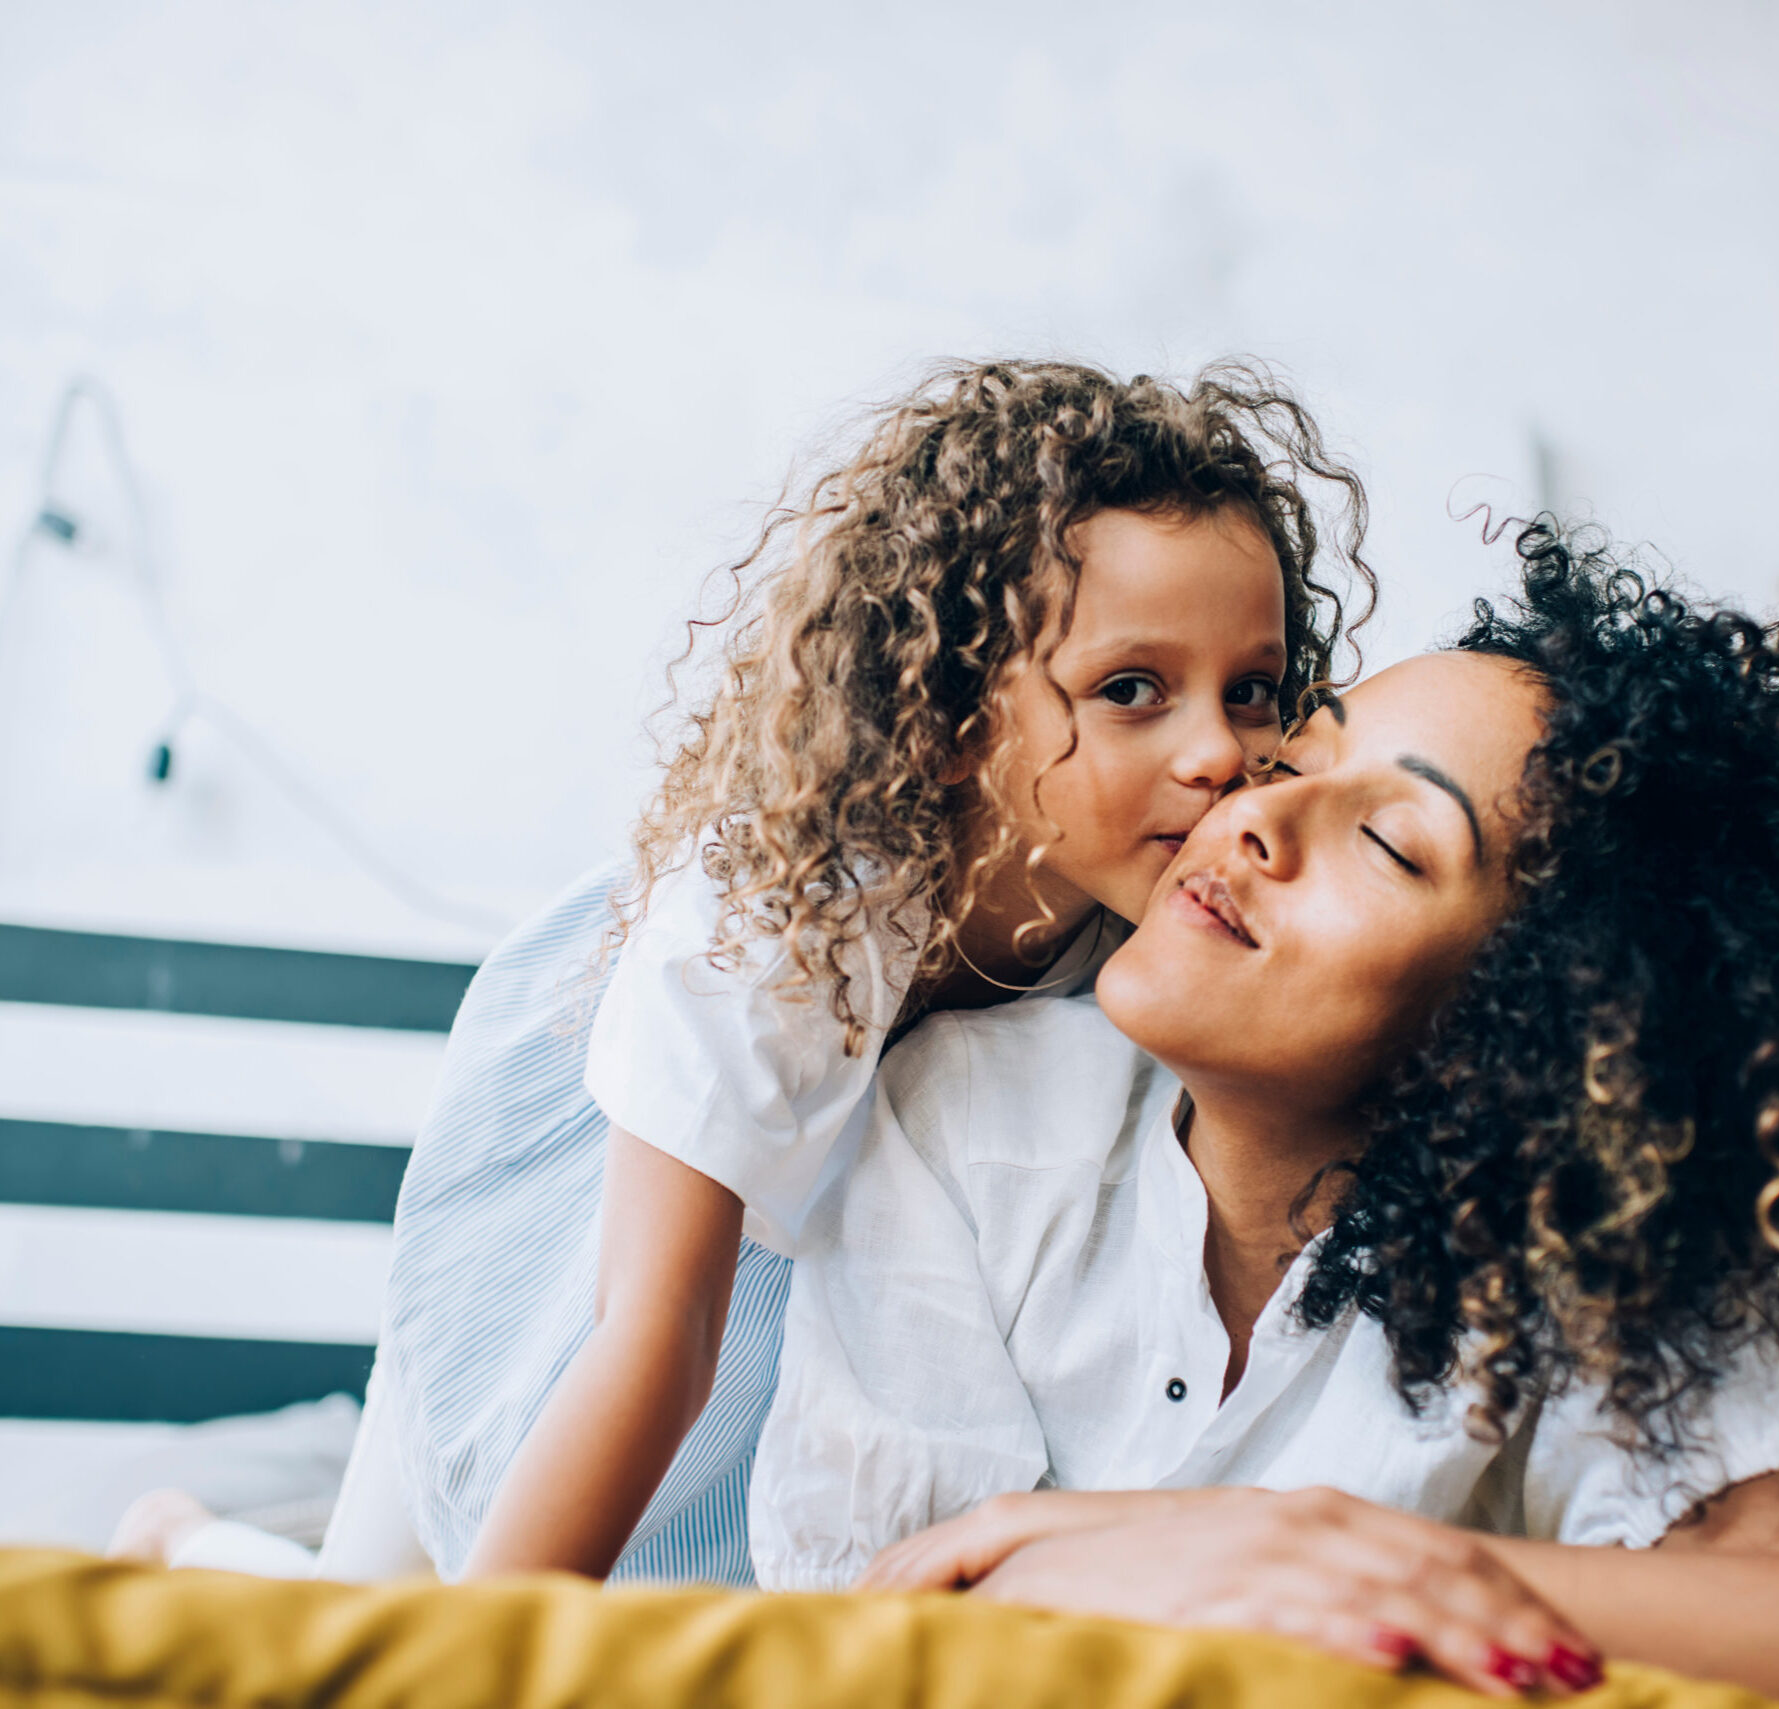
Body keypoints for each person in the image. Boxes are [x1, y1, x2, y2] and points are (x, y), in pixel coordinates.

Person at [112, 359, 1371, 1583]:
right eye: (1132, 688)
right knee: (399, 1596)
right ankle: (180, 1538)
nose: (1219, 750)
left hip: (841, 1258)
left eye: (1253, 689)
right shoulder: (781, 910)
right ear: (950, 714)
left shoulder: (1166, 918)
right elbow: (658, 1330)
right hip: (604, 1190)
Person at [742, 528, 1779, 1708]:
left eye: (1390, 842)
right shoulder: (962, 1111)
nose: (1253, 817)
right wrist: (1217, 1558)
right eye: (1297, 757)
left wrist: (1340, 1555)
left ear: (1527, 1025)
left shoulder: (1574, 1266)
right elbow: (878, 1638)